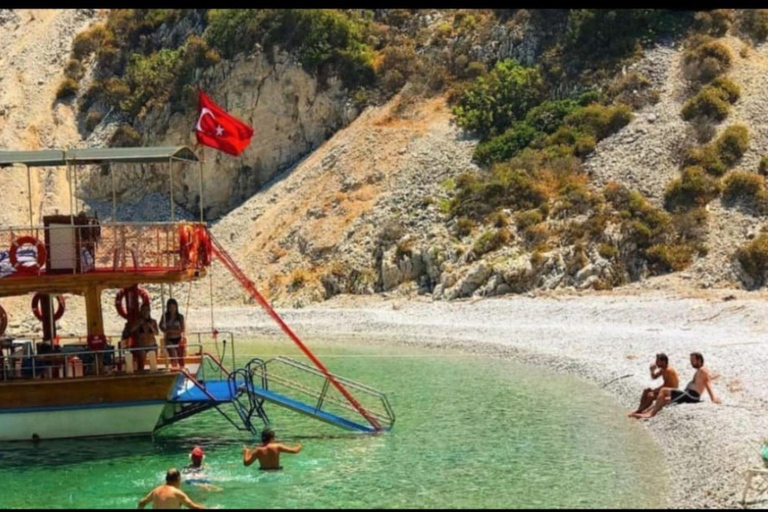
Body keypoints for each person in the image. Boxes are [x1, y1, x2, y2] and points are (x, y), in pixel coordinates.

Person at [630, 352, 721, 419]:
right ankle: (644, 412)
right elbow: (705, 380)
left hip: (692, 395)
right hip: (688, 394)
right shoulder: (700, 371)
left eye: (693, 360)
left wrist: (713, 397)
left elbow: (707, 382)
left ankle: (650, 414)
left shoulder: (702, 370)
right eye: (691, 360)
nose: (691, 362)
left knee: (663, 391)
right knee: (664, 400)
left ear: (699, 360)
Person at [138, 468, 205, 509]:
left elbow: (141, 503)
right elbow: (194, 507)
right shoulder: (177, 493)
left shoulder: (156, 490)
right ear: (178, 479)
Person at [130, 303, 159, 373]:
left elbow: (157, 333)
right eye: (143, 310)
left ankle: (154, 373)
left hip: (151, 345)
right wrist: (139, 324)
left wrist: (151, 326)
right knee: (141, 357)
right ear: (141, 311)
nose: (145, 312)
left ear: (149, 311)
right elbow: (131, 330)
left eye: (147, 310)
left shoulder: (153, 321)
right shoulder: (137, 321)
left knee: (153, 358)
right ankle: (141, 372)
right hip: (141, 345)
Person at [159, 298, 186, 369]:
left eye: (173, 307)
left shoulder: (180, 317)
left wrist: (171, 330)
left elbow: (182, 329)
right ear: (168, 308)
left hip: (178, 338)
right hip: (169, 339)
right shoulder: (165, 316)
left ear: (176, 307)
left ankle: (182, 369)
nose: (172, 309)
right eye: (170, 307)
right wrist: (164, 330)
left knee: (180, 357)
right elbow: (160, 326)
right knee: (173, 356)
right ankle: (175, 368)